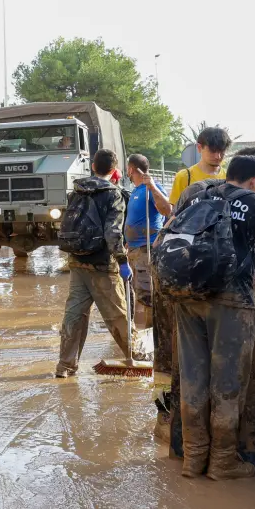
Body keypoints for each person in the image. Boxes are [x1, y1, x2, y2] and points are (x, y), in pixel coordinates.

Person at [170, 155, 255, 480]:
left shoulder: (199, 194)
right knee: (227, 383)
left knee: (193, 379)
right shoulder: (254, 201)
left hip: (186, 295)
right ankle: (223, 462)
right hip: (231, 300)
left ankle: (193, 458)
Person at [55, 148, 132, 378]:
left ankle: (65, 365)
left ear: (93, 167)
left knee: (74, 316)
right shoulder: (113, 194)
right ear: (114, 170)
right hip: (102, 265)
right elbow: (113, 232)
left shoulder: (77, 191)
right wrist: (122, 260)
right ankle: (137, 357)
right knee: (118, 315)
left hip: (77, 262)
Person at [125, 154, 171, 328]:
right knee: (138, 292)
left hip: (147, 249)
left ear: (131, 169)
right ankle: (143, 331)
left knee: (147, 294)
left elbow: (167, 209)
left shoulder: (151, 188)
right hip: (134, 249)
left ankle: (153, 335)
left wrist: (151, 186)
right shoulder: (136, 191)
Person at [168, 127, 232, 208]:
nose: (218, 156)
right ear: (199, 147)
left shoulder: (230, 177)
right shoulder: (184, 176)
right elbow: (175, 212)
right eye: (212, 151)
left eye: (222, 151)